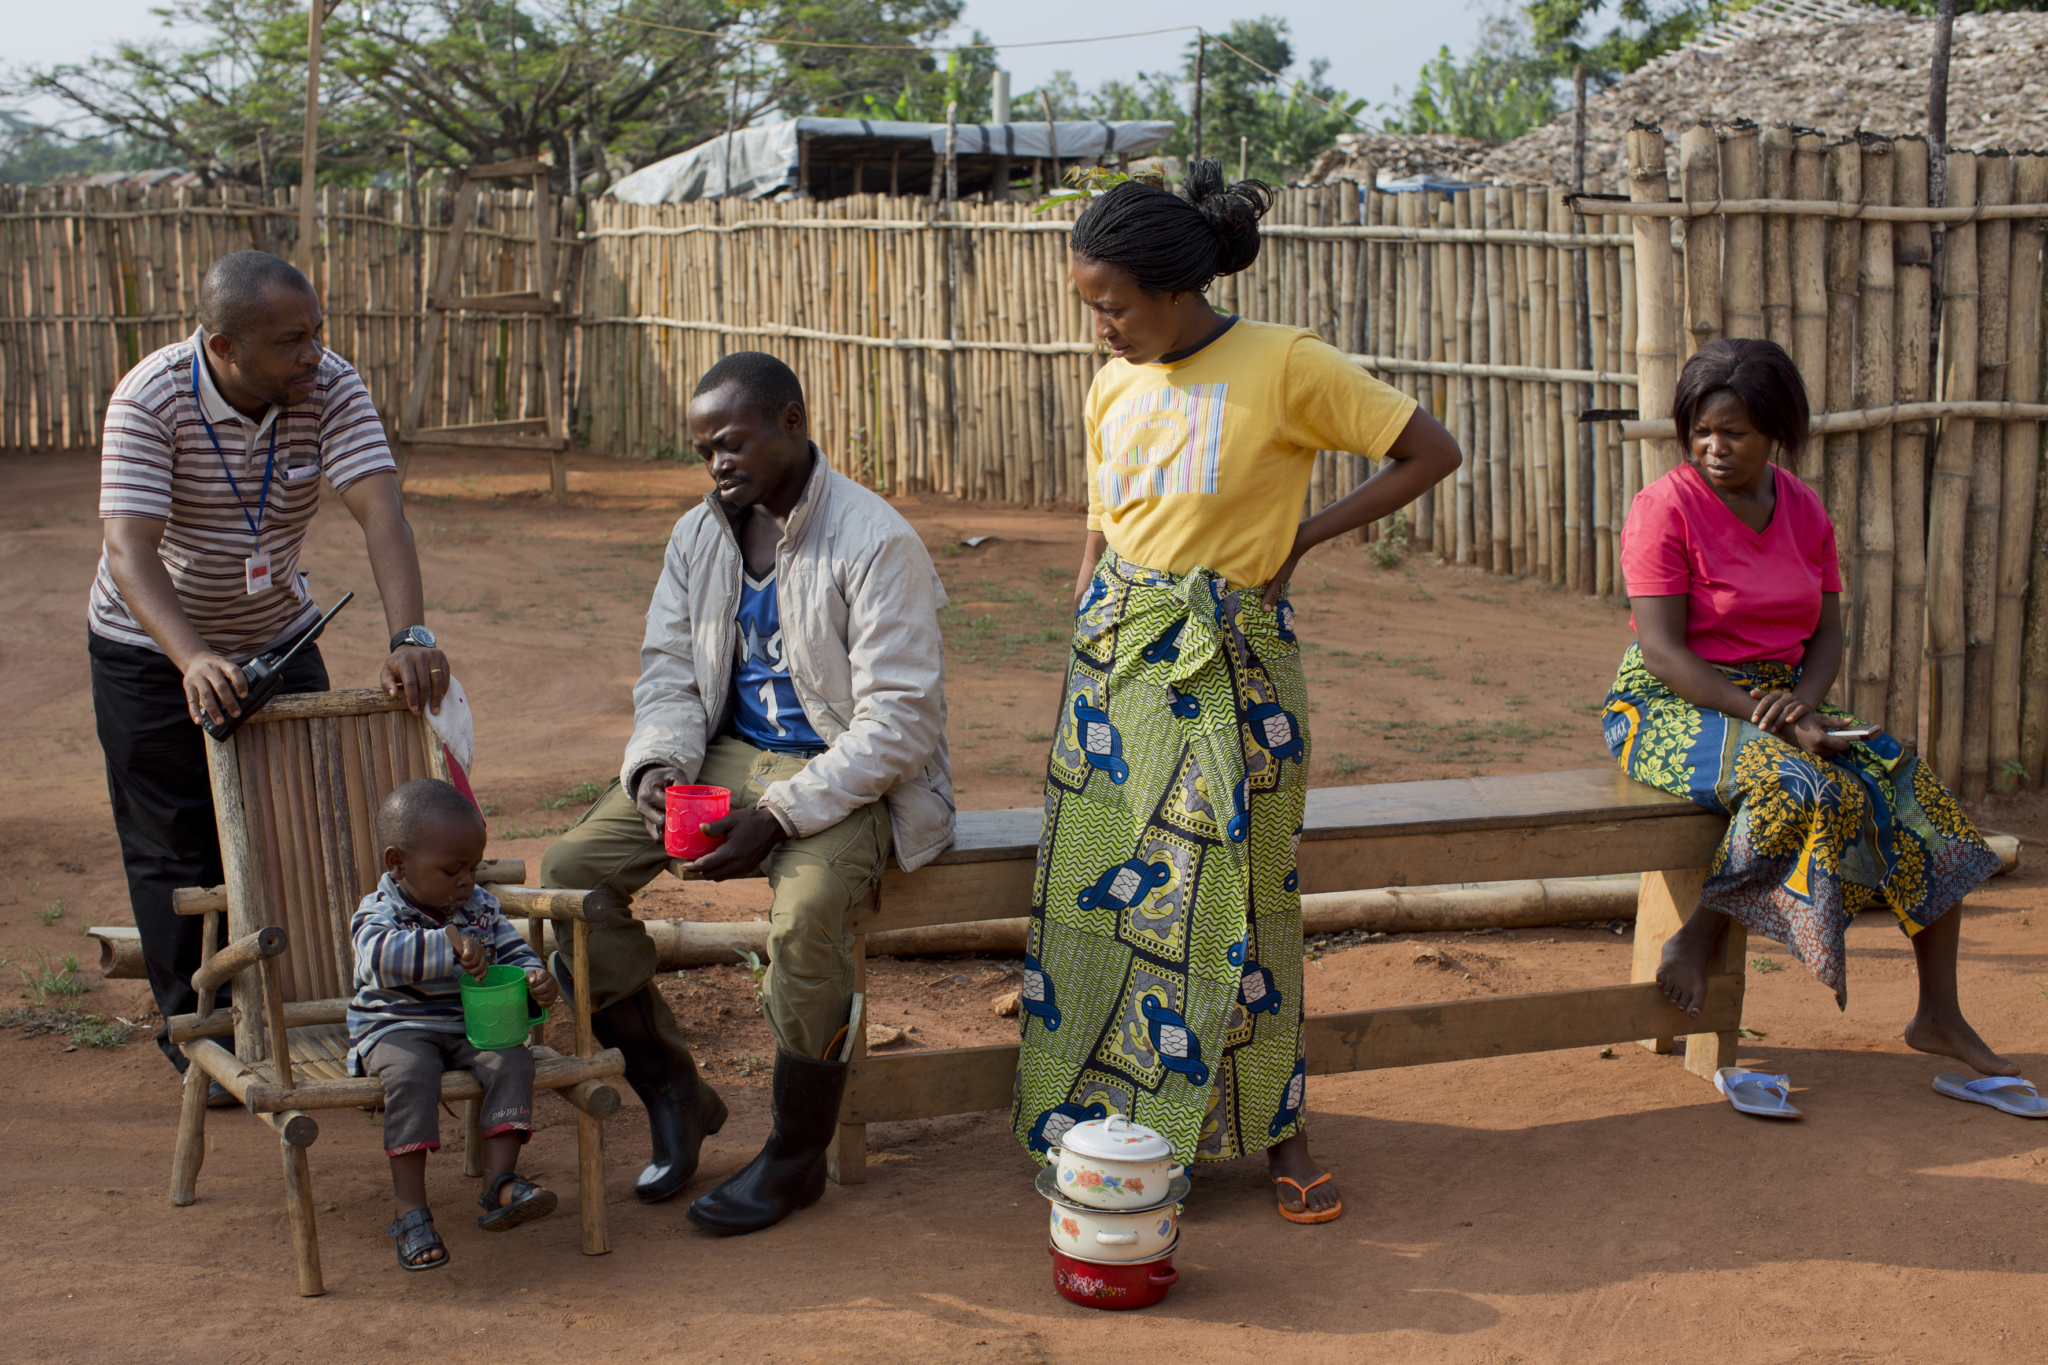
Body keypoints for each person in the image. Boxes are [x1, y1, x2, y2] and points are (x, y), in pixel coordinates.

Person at [1009, 162, 1463, 1224]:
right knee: (1101, 894)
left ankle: (1278, 1130)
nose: (1099, 330)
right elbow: (1104, 506)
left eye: (1112, 307)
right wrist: (1088, 590)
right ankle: (1108, 1124)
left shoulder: (1284, 363)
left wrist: (1296, 538)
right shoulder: (1115, 377)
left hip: (1231, 666)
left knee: (1239, 898)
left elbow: (1427, 449)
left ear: (1175, 290)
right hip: (1114, 664)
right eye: (1088, 307)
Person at [540, 350, 953, 1235]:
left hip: (848, 775)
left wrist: (780, 816)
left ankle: (795, 1157)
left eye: (731, 442)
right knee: (572, 874)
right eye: (703, 451)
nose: (717, 465)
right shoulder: (699, 534)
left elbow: (900, 722)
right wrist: (656, 766)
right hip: (727, 757)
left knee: (804, 917)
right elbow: (668, 673)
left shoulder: (876, 539)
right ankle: (673, 1091)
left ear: (793, 423)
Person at [1606, 336, 2015, 1083]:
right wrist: (1781, 720)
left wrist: (1806, 703)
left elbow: (1829, 631)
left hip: (1777, 696)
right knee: (1794, 783)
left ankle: (1939, 1014)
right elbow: (1664, 651)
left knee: (1914, 787)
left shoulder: (1801, 506)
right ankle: (1694, 940)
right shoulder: (1664, 506)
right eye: (1700, 429)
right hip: (1667, 701)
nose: (1713, 446)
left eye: (1734, 432)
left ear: (1775, 434)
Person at [92, 249, 451, 1100]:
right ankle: (201, 1033)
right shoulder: (151, 398)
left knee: (312, 829)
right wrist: (194, 658)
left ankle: (326, 1007)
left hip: (279, 636)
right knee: (174, 845)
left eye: (318, 332)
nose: (314, 354)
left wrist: (409, 630)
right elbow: (128, 546)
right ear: (222, 347)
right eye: (293, 340)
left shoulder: (326, 384)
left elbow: (380, 507)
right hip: (151, 649)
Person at [349, 779, 561, 1271]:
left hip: (468, 1027)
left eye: (473, 868)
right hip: (396, 1027)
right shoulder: (379, 911)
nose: (466, 881)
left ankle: (501, 1183)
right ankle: (410, 1210)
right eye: (452, 870)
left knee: (512, 1058)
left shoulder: (480, 907)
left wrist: (534, 976)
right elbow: (377, 959)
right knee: (410, 1075)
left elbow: (511, 950)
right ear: (396, 863)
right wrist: (446, 943)